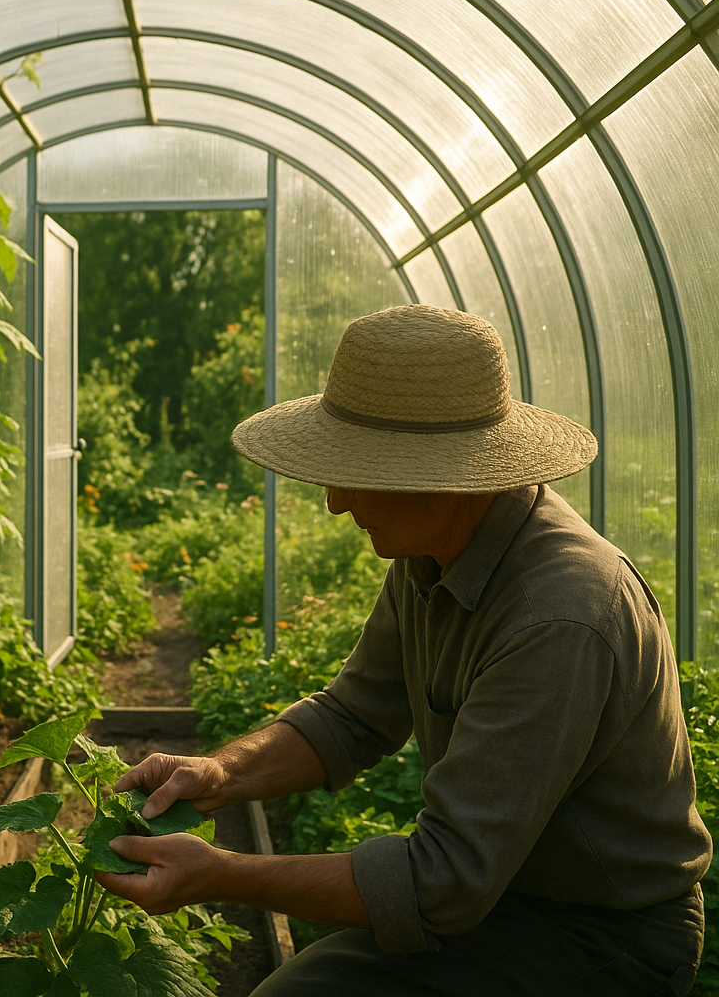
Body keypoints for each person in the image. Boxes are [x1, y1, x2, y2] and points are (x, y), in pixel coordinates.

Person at [94, 305, 711, 995]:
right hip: (495, 900)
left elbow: (441, 880)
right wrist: (219, 773)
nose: (332, 501)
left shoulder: (561, 615)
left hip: (600, 936)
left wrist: (219, 874)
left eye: (356, 470)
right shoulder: (436, 554)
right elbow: (352, 717)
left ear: (448, 475)